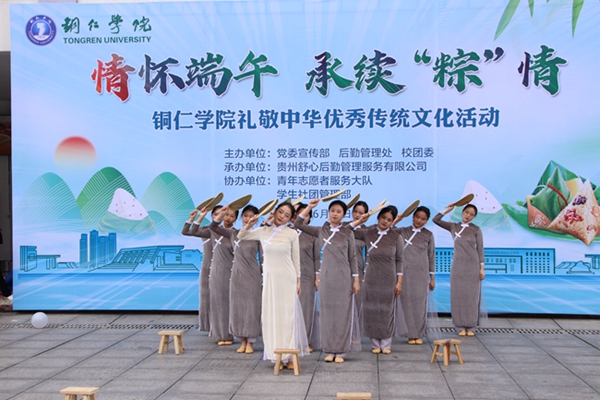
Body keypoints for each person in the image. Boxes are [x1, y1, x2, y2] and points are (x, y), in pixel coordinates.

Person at [238, 202, 308, 369]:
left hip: (287, 279)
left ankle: (289, 357)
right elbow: (242, 236)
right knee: (272, 318)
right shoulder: (263, 231)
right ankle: (276, 356)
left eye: (286, 215)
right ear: (274, 212)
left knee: (288, 318)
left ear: (291, 219)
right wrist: (250, 223)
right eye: (280, 212)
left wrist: (298, 281)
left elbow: (296, 259)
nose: (282, 216)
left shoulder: (292, 233)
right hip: (270, 281)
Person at [296, 198, 359, 363]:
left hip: (344, 277)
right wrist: (309, 206)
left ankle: (341, 350)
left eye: (339, 212)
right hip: (326, 277)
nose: (335, 214)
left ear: (344, 215)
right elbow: (298, 224)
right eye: (332, 211)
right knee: (327, 314)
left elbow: (352, 257)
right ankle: (329, 350)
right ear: (328, 212)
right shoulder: (321, 231)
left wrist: (356, 280)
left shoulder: (348, 232)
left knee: (342, 314)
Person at [350, 206, 403, 354]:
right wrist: (362, 220)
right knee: (372, 309)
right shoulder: (368, 233)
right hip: (371, 277)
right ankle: (375, 344)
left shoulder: (396, 237)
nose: (385, 221)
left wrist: (399, 282)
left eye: (389, 220)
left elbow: (400, 260)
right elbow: (347, 230)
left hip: (389, 278)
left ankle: (386, 343)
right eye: (383, 217)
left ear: (392, 222)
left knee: (387, 310)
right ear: (378, 217)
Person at [210, 205, 262, 354]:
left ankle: (251, 341)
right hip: (236, 275)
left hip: (252, 275)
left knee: (251, 308)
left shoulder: (258, 234)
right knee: (238, 308)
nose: (248, 219)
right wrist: (222, 213)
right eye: (245, 215)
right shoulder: (233, 233)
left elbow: (263, 257)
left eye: (251, 216)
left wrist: (263, 276)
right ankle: (242, 340)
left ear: (256, 218)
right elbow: (213, 226)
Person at [184, 206, 237, 345]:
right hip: (214, 269)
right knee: (215, 301)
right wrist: (197, 217)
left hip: (230, 269)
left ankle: (230, 331)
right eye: (224, 214)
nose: (227, 217)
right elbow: (188, 232)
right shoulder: (211, 230)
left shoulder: (235, 233)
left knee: (228, 302)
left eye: (231, 216)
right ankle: (216, 330)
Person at [433, 203, 485, 336]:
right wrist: (447, 209)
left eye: (471, 215)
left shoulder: (476, 230)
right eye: (466, 212)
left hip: (472, 265)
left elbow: (480, 250)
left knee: (472, 296)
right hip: (458, 266)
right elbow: (435, 220)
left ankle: (471, 326)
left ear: (474, 217)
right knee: (458, 295)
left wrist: (481, 268)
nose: (468, 216)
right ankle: (460, 326)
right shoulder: (453, 227)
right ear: (462, 212)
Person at [393, 206, 436, 344]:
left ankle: (419, 333)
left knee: (420, 303)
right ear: (413, 216)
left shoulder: (428, 235)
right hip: (405, 272)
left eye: (423, 219)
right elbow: (387, 230)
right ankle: (410, 334)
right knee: (406, 302)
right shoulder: (403, 231)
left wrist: (432, 278)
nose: (419, 220)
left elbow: (431, 256)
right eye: (417, 217)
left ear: (427, 220)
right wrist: (397, 220)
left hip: (421, 273)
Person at [181, 207, 218, 332]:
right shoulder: (205, 229)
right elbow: (186, 231)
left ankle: (222, 326)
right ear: (212, 216)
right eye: (215, 214)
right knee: (206, 296)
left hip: (223, 266)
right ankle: (208, 325)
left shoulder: (227, 232)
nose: (218, 217)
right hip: (207, 266)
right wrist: (197, 217)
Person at [292, 203, 320, 352]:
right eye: (300, 213)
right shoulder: (288, 232)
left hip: (307, 275)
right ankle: (291, 341)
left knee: (306, 309)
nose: (303, 217)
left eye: (307, 214)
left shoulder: (313, 234)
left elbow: (316, 257)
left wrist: (317, 278)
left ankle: (306, 341)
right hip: (289, 275)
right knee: (290, 309)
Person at [349, 201, 369, 320]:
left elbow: (369, 253)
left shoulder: (367, 231)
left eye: (361, 213)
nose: (357, 215)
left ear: (365, 215)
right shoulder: (344, 226)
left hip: (358, 268)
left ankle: (356, 328)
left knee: (357, 298)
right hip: (343, 268)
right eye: (355, 211)